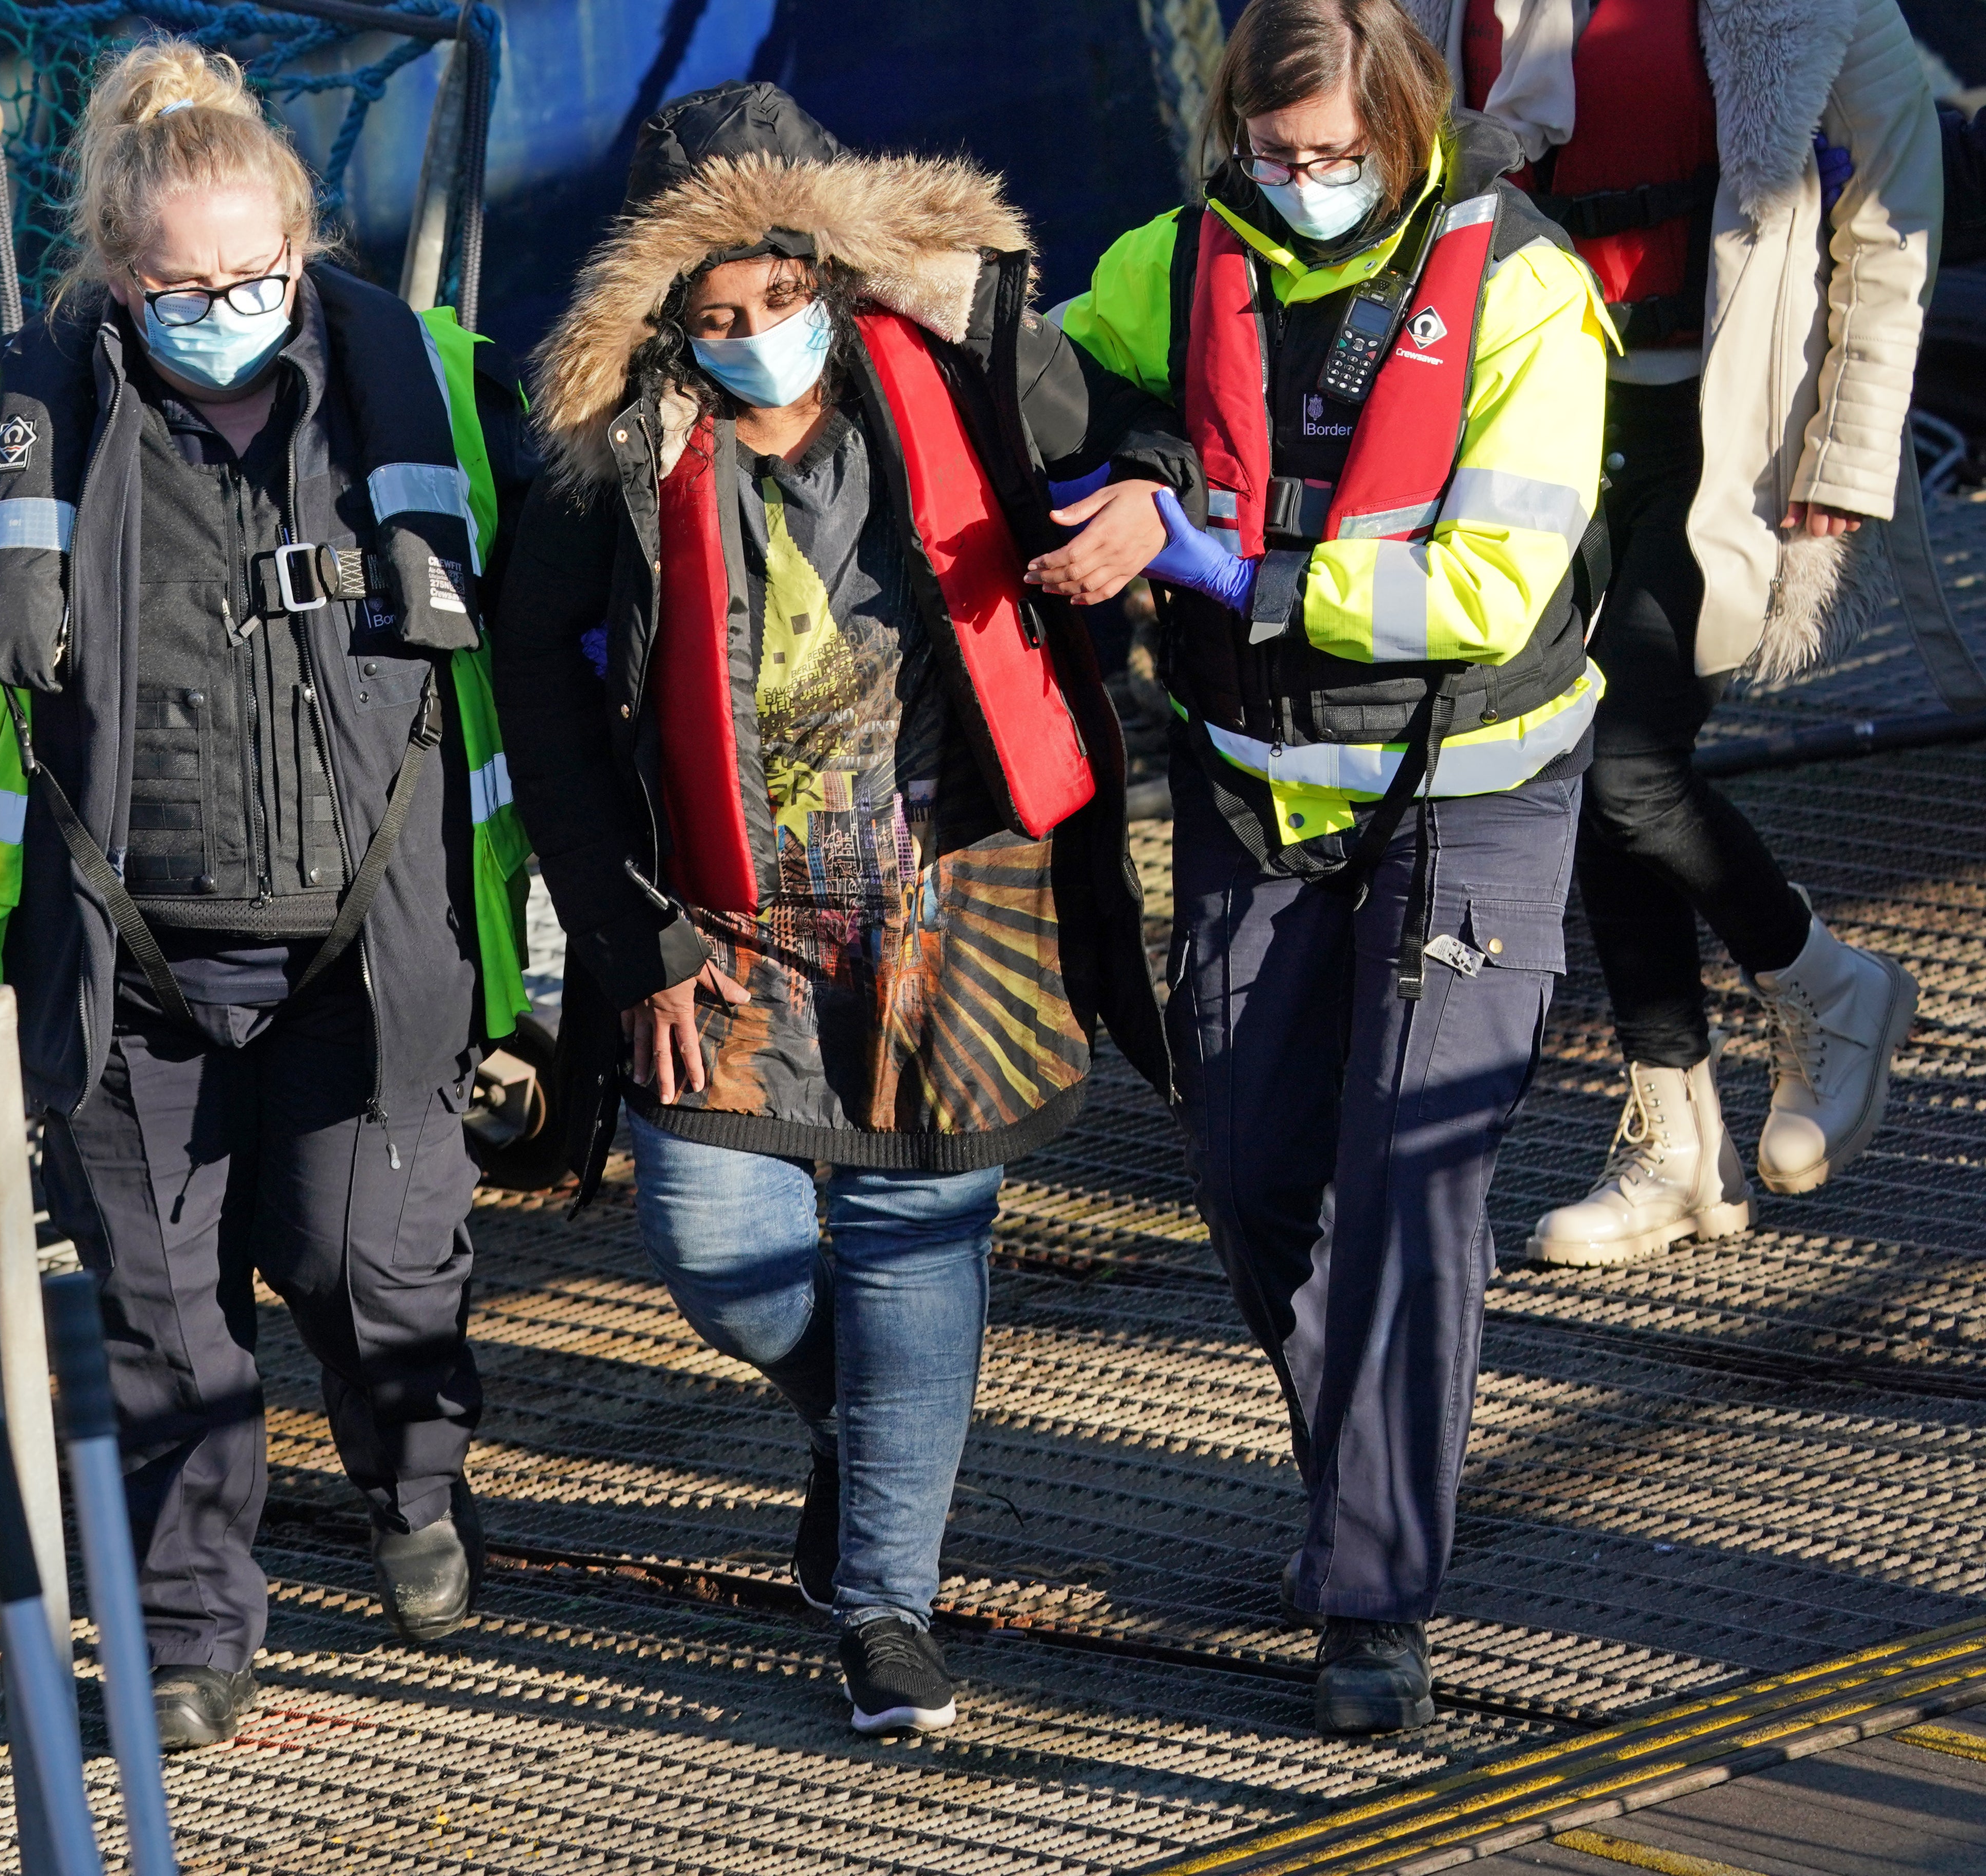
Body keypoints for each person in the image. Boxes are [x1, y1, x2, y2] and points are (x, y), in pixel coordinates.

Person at [0, 38, 534, 1751]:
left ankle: (412, 1486)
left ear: (304, 242)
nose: (226, 312)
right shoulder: (15, 434)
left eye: (257, 278)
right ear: (116, 275)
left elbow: (562, 619)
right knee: (167, 1331)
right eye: (183, 288)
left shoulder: (434, 390)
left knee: (361, 1270)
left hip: (364, 952)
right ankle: (188, 1640)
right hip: (124, 965)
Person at [496, 81, 1184, 1738]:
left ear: (839, 263)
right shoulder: (620, 449)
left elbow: (1146, 423)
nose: (761, 336)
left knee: (911, 1239)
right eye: (719, 314)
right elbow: (531, 666)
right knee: (716, 1251)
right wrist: (626, 930)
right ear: (664, 315)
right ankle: (861, 1432)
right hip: (718, 916)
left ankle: (888, 1604)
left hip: (955, 881)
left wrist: (1148, 496)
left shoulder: (950, 359)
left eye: (788, 296)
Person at [1061, 0, 1610, 1732]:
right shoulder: (1169, 259)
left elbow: (1485, 593)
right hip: (1249, 801)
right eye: (1270, 157)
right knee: (1241, 1175)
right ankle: (1376, 1463)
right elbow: (1055, 389)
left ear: (1406, 126)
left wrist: (1217, 566)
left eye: (1332, 158)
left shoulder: (1521, 291)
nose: (1298, 185)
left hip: (1469, 791)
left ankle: (1371, 1591)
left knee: (1407, 1193)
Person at [1394, 0, 1940, 1265]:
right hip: (1536, 426)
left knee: (1624, 751)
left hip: (1731, 438)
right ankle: (1676, 1140)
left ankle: (1820, 982)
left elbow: (1893, 216)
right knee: (1571, 755)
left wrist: (1847, 454)